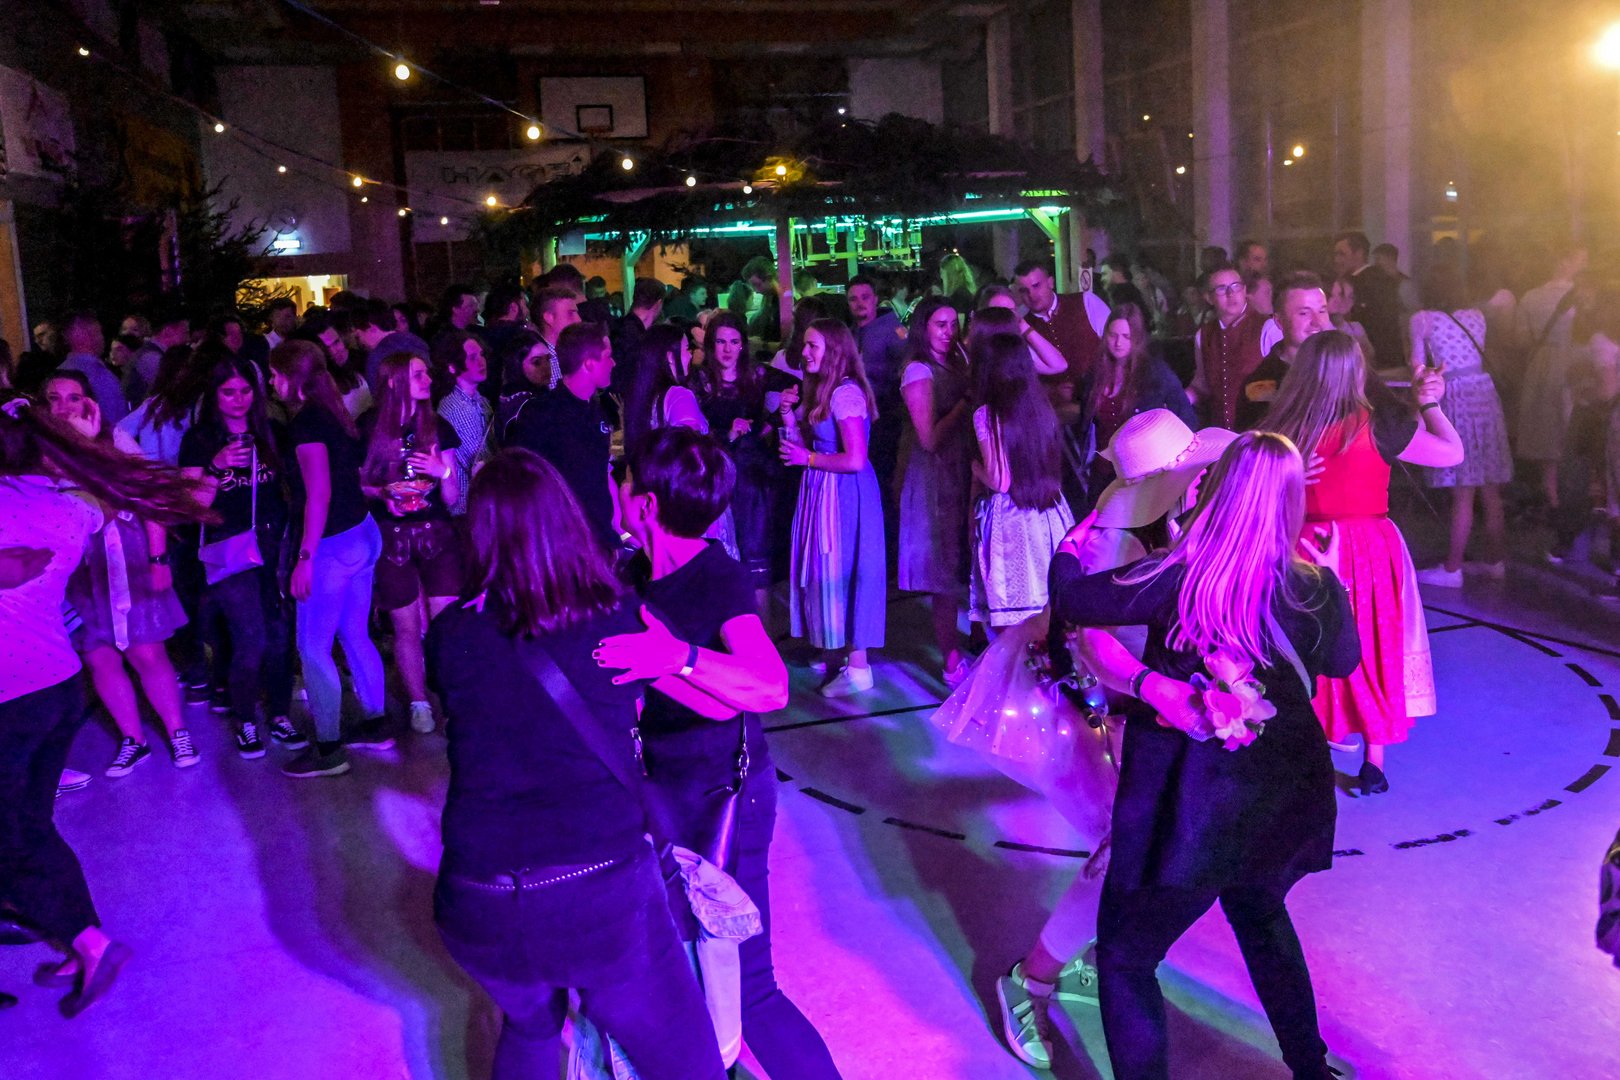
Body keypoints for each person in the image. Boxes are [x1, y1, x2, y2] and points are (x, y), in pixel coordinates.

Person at [1043, 432, 1360, 1080]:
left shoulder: (1178, 576)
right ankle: (1311, 1069)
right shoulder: (1314, 585)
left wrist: (1071, 547)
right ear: (1291, 502)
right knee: (1261, 912)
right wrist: (1336, 584)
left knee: (1127, 957)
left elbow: (1074, 600)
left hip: (1189, 805)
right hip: (1281, 795)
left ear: (1219, 489)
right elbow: (1342, 661)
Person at [426, 449, 726, 1080]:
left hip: (476, 900)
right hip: (595, 897)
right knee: (688, 1064)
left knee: (530, 1026)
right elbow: (702, 702)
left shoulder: (449, 634)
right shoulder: (613, 619)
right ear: (566, 520)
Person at [601, 427, 843, 1079]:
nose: (615, 489)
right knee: (689, 980)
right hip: (662, 797)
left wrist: (678, 657)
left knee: (751, 989)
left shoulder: (717, 576)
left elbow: (769, 686)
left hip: (725, 796)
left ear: (646, 503)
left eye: (624, 480)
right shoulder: (630, 575)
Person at [1, 392, 207, 1016]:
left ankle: (89, 943)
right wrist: (85, 445)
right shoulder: (74, 506)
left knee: (13, 835)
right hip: (57, 686)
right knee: (31, 825)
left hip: (10, 696)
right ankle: (77, 939)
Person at [1265, 330, 1463, 793]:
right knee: (1374, 645)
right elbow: (1452, 452)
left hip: (1304, 548)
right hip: (1369, 550)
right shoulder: (1378, 425)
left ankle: (1309, 748)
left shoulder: (1282, 429)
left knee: (1308, 649)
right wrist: (1430, 404)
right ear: (1356, 370)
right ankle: (1375, 761)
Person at [41, 373, 195, 774]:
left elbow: (151, 500)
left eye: (74, 397)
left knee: (146, 650)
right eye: (54, 398)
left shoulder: (115, 440)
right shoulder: (38, 452)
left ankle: (177, 731)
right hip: (77, 568)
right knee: (99, 656)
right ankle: (134, 739)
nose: (64, 407)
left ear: (90, 403)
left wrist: (158, 559)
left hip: (124, 557)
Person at [268, 340, 390, 778]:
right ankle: (376, 723)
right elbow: (344, 478)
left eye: (275, 374)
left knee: (313, 646)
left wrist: (305, 557)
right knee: (356, 632)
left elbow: (317, 495)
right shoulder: (333, 412)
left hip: (333, 547)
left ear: (293, 378)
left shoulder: (305, 424)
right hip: (363, 533)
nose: (271, 382)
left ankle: (329, 748)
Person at [179, 353, 298, 756]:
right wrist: (215, 467)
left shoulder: (271, 433)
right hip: (227, 547)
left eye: (246, 391)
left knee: (280, 635)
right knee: (251, 637)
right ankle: (245, 718)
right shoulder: (200, 439)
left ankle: (279, 714)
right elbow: (191, 506)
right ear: (214, 395)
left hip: (274, 543)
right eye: (228, 392)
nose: (238, 400)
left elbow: (288, 488)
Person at [779, 319, 885, 696]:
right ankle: (833, 648)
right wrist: (788, 416)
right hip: (824, 490)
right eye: (805, 345)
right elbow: (806, 447)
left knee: (847, 569)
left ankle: (858, 668)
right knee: (825, 569)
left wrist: (807, 458)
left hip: (845, 494)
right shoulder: (821, 389)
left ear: (834, 351)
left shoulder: (845, 394)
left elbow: (855, 459)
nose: (805, 352)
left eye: (813, 346)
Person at [359, 353, 463, 736]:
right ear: (393, 380)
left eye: (426, 373)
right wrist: (383, 493)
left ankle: (454, 697)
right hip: (392, 534)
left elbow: (452, 497)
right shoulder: (368, 426)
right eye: (418, 374)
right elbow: (358, 483)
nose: (427, 380)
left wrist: (442, 471)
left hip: (437, 531)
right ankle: (419, 703)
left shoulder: (438, 425)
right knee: (406, 626)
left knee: (446, 624)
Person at [1409, 265, 1512, 587]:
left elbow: (1417, 366)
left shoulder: (1423, 319)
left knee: (1464, 491)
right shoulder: (1476, 316)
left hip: (1455, 395)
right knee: (1490, 490)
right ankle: (1496, 561)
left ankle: (1453, 569)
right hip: (1484, 393)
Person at [967, 332, 1075, 632]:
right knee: (1052, 612)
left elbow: (999, 480)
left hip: (1011, 521)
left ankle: (1018, 664)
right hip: (1050, 513)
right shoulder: (1041, 407)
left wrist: (974, 467)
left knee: (1017, 625)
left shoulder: (988, 414)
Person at [896, 296, 974, 682]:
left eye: (953, 324)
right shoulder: (918, 370)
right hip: (935, 477)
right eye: (940, 325)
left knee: (964, 564)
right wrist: (964, 404)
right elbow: (928, 438)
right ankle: (951, 661)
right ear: (923, 328)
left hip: (962, 470)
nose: (949, 332)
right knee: (942, 572)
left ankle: (975, 647)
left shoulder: (956, 362)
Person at [504, 322, 619, 549]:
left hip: (599, 538)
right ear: (589, 363)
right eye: (607, 356)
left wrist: (614, 533)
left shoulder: (596, 410)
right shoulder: (540, 414)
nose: (613, 363)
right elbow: (522, 483)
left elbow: (602, 474)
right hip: (563, 543)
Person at [695, 312, 776, 604]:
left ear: (743, 344)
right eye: (720, 342)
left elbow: (797, 388)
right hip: (716, 471)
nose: (727, 349)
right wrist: (726, 433)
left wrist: (768, 425)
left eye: (734, 341)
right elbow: (693, 432)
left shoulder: (757, 375)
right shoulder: (700, 380)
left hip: (752, 475)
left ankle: (762, 629)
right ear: (711, 345)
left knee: (756, 555)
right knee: (722, 554)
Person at [1080, 304, 1197, 499]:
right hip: (1103, 473)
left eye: (1126, 336)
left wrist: (1171, 464)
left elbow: (1187, 419)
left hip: (1141, 476)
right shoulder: (1096, 373)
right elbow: (1087, 424)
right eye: (1113, 335)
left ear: (1137, 338)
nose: (1118, 343)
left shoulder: (1155, 372)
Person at [1516, 246, 1587, 520]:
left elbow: (1521, 339)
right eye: (1581, 259)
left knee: (1546, 436)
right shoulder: (1582, 295)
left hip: (1541, 366)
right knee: (1574, 429)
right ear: (1565, 261)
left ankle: (1554, 499)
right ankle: (1579, 499)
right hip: (1575, 361)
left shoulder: (1531, 297)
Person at [1234, 271, 1334, 431]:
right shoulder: (1261, 382)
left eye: (1322, 311)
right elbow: (1256, 442)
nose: (1317, 322)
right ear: (1279, 321)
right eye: (1304, 313)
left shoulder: (1347, 366)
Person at [1189, 263, 1282, 429]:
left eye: (1236, 286)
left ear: (1244, 291)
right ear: (1209, 298)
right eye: (1221, 289)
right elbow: (1201, 384)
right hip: (1219, 432)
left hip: (1260, 431)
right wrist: (1175, 400)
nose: (1230, 294)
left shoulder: (1268, 328)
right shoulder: (1203, 335)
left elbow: (1284, 383)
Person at [1014, 260, 1111, 414]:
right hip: (1055, 415)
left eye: (1036, 286)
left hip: (1100, 404)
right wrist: (1051, 391)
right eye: (1024, 291)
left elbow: (1116, 347)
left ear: (1051, 282)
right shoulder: (1020, 326)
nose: (1031, 295)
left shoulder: (1086, 302)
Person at [848, 274, 910, 494]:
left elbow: (908, 367)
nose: (860, 303)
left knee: (883, 479)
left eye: (865, 297)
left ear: (875, 299)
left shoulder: (893, 330)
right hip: (860, 418)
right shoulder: (852, 333)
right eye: (853, 299)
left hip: (885, 418)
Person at [432, 330, 495, 518]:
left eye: (482, 355)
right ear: (452, 367)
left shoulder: (479, 400)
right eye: (472, 357)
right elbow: (480, 461)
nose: (481, 361)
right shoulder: (457, 407)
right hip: (468, 507)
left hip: (478, 502)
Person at [1332, 230, 1405, 370]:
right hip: (1382, 362)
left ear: (1359, 253)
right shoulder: (1378, 278)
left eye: (1342, 254)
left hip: (1377, 364)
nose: (1337, 260)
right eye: (1335, 255)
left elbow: (1378, 326)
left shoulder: (1369, 282)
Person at [58, 312, 129, 427]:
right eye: (99, 332)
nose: (102, 338)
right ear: (90, 336)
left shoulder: (58, 375)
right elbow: (114, 424)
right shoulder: (100, 377)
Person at [1325, 276, 1378, 368]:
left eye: (1351, 297)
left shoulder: (1356, 328)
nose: (1346, 301)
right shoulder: (1320, 328)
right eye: (1341, 295)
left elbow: (1369, 358)